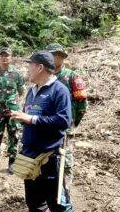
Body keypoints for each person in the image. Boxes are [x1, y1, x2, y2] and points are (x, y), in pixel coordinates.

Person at [11, 51, 73, 212]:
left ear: (40, 68)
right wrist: (22, 118)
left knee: (58, 205)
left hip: (49, 159)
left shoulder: (59, 90)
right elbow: (30, 118)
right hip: (30, 157)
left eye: (29, 66)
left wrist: (31, 119)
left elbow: (63, 121)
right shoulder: (31, 91)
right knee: (34, 204)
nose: (27, 70)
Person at [46, 43, 87, 194]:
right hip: (46, 126)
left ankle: (65, 195)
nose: (53, 58)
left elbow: (82, 102)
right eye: (51, 55)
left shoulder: (71, 76)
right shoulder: (44, 76)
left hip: (64, 128)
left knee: (65, 161)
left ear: (62, 58)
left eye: (57, 55)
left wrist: (73, 122)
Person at [0, 47, 25, 174]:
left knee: (14, 136)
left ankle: (12, 163)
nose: (4, 58)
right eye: (2, 55)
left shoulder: (16, 73)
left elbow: (21, 91)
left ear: (11, 57)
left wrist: (13, 101)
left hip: (12, 110)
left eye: (7, 55)